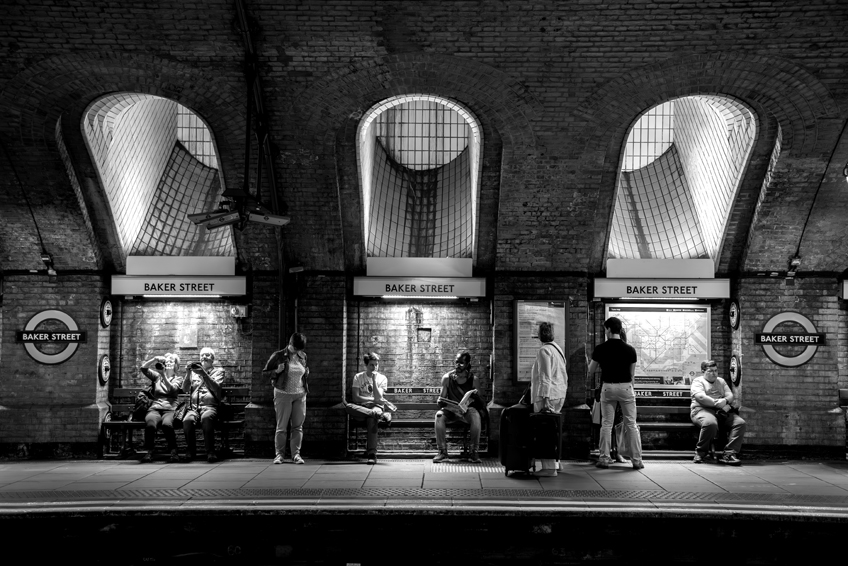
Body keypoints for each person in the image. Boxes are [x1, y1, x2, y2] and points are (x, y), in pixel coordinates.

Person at [587, 316, 644, 470]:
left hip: (608, 387)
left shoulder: (600, 348)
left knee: (606, 424)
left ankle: (604, 458)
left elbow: (591, 370)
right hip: (626, 388)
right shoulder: (630, 350)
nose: (605, 331)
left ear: (609, 329)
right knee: (631, 424)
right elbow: (632, 375)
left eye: (605, 329)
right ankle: (637, 460)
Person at [263, 333, 309, 465]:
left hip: (300, 394)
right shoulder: (278, 356)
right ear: (290, 344)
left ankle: (296, 455)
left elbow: (301, 374)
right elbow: (263, 374)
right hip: (283, 394)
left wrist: (306, 374)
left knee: (298, 426)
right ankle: (279, 455)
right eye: (295, 348)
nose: (297, 351)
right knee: (282, 427)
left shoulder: (303, 356)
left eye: (300, 349)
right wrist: (276, 371)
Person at [530, 322, 568, 477]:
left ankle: (549, 468)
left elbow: (546, 376)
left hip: (548, 396)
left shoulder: (544, 350)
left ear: (541, 333)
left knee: (544, 431)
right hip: (558, 393)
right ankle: (557, 464)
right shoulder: (557, 348)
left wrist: (545, 399)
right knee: (552, 430)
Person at [691, 360, 745, 466]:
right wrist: (717, 403)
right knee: (710, 423)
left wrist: (725, 401)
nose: (714, 373)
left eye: (716, 371)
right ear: (703, 371)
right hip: (702, 410)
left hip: (721, 411)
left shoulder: (721, 381)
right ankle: (701, 452)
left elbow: (730, 395)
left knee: (740, 423)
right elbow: (701, 397)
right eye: (711, 371)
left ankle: (729, 454)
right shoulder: (698, 381)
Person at [344, 352, 394, 465]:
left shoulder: (382, 378)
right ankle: (381, 416)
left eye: (376, 364)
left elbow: (378, 398)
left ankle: (372, 454)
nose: (374, 367)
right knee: (348, 406)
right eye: (372, 365)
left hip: (376, 407)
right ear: (366, 365)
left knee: (372, 419)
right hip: (362, 408)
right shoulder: (358, 377)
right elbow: (356, 398)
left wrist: (375, 381)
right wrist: (372, 400)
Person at [433, 352, 482, 464]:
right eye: (457, 362)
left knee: (476, 416)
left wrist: (476, 396)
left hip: (466, 411)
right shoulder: (447, 378)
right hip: (451, 410)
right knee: (439, 416)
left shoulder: (474, 379)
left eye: (461, 363)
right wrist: (440, 401)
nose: (458, 365)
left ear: (467, 364)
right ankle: (442, 452)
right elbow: (442, 399)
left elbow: (481, 402)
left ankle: (473, 452)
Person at [181, 347, 226, 463]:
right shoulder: (194, 374)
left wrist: (203, 374)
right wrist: (188, 373)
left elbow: (216, 388)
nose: (204, 357)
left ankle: (210, 451)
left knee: (206, 418)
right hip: (194, 408)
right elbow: (184, 389)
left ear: (212, 358)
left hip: (210, 407)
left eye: (207, 355)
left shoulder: (219, 371)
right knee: (187, 420)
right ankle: (190, 451)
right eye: (202, 355)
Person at [139, 352, 183, 463]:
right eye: (166, 361)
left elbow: (172, 390)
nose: (168, 363)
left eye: (171, 361)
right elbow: (143, 368)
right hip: (155, 408)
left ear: (176, 365)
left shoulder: (178, 378)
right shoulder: (157, 376)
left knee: (167, 425)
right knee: (150, 425)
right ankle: (149, 451)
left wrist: (163, 375)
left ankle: (174, 451)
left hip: (170, 409)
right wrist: (154, 359)